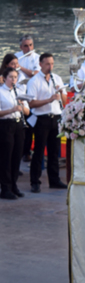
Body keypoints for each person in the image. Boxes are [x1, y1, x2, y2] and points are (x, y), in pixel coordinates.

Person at [26, 53, 68, 193]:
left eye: (52, 64)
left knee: (54, 151)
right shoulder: (34, 81)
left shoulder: (57, 78)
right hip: (41, 119)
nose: (50, 66)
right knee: (38, 151)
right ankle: (35, 182)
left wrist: (61, 93)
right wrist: (48, 100)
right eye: (47, 64)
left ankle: (54, 180)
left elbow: (64, 101)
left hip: (55, 118)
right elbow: (31, 103)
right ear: (40, 64)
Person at [0, 68, 29, 200]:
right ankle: (5, 188)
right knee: (7, 157)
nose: (13, 80)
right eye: (11, 77)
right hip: (6, 125)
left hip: (18, 125)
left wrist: (22, 106)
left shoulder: (19, 92)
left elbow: (27, 112)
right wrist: (11, 109)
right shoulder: (0, 92)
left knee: (17, 156)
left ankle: (14, 185)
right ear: (4, 78)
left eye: (15, 77)